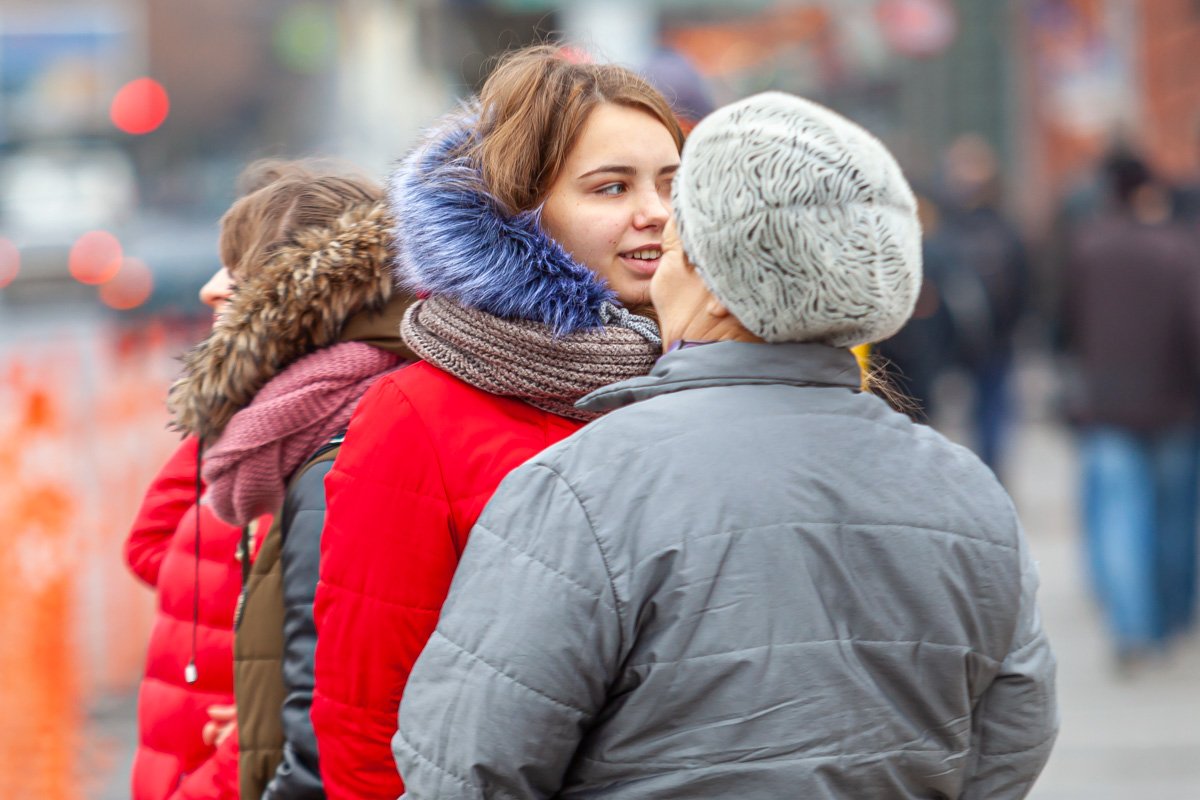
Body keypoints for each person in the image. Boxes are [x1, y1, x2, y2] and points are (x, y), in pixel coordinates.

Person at [393, 91, 1059, 799]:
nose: (662, 269)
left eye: (680, 246)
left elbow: (466, 768)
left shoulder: (584, 488)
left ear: (715, 285)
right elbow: (1013, 738)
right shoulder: (966, 488)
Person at [310, 45, 681, 800]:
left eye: (673, 184)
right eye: (611, 187)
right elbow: (368, 714)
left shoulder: (717, 374)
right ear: (520, 218)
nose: (656, 214)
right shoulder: (415, 417)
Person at [164, 160, 417, 799]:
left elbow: (341, 736)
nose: (212, 288)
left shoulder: (341, 453)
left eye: (241, 266)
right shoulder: (316, 428)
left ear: (298, 295)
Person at [124, 197, 271, 800]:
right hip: (192, 762)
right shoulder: (256, 427)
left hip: (213, 774)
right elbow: (149, 548)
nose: (213, 288)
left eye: (236, 268)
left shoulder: (301, 448)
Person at [1062, 152, 1200, 665]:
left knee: (1121, 515)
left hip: (1108, 403)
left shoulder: (1089, 247)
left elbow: (1065, 328)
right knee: (1174, 520)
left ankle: (1130, 626)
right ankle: (1170, 617)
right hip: (1175, 406)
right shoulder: (1181, 249)